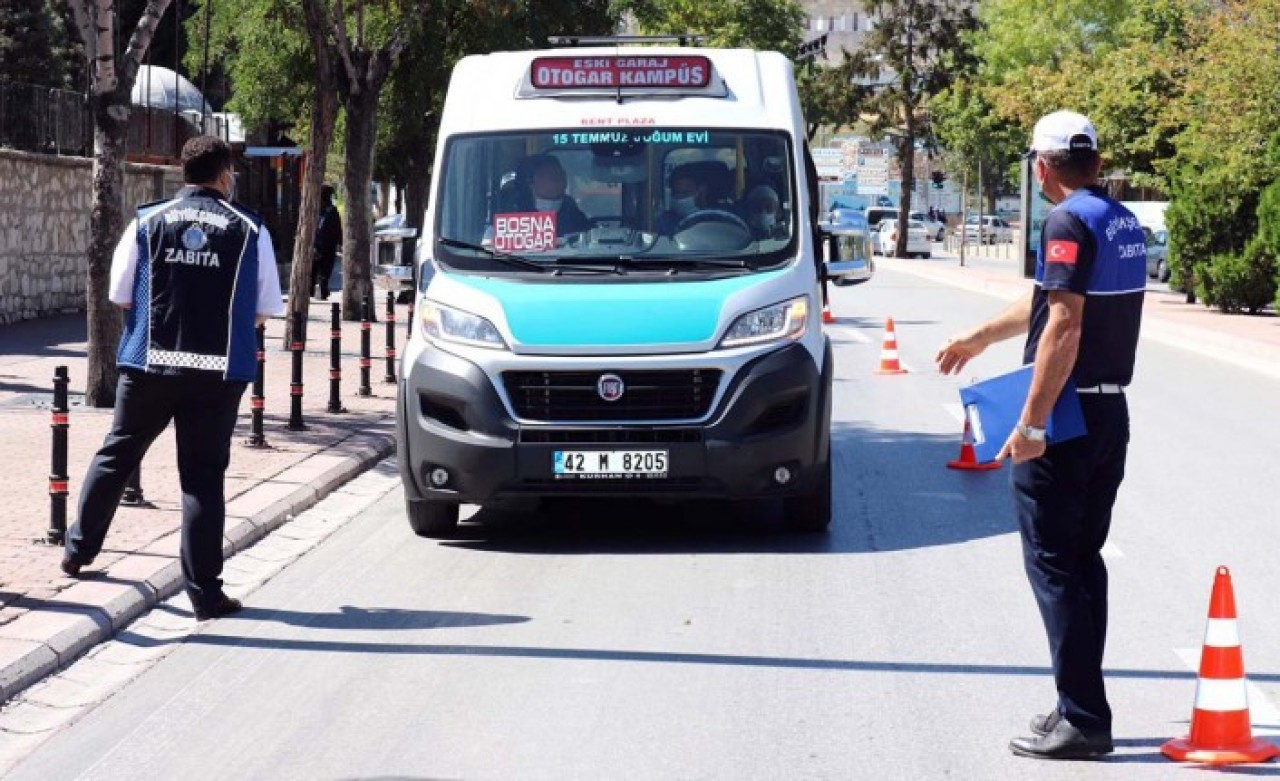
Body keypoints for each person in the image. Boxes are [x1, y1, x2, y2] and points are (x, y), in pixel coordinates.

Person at [935, 111, 1146, 760]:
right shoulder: (1121, 220)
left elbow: (1062, 324)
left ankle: (1082, 717)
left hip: (1066, 417)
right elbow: (1043, 302)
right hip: (1109, 414)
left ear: (1043, 166)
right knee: (1083, 562)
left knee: (1053, 563)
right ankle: (1078, 703)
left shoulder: (1065, 220)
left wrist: (1030, 424)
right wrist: (979, 336)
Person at [62, 136, 286, 621]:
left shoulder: (147, 220)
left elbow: (121, 294)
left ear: (184, 173)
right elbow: (265, 309)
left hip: (149, 365)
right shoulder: (251, 229)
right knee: (203, 478)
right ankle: (205, 593)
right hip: (218, 373)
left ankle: (77, 551)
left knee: (117, 452)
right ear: (225, 174)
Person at [526, 154, 591, 236]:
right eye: (548, 175)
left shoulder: (574, 215)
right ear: (531, 182)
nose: (555, 181)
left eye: (559, 175)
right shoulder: (514, 213)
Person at [656, 164, 712, 235]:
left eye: (686, 193)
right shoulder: (664, 223)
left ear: (702, 191)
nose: (680, 199)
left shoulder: (721, 218)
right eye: (676, 194)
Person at [312, 184, 342, 300]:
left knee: (315, 268)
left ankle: (316, 290)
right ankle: (322, 290)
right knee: (325, 268)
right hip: (328, 244)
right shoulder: (332, 211)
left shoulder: (315, 209)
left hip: (318, 243)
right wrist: (339, 242)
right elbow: (337, 228)